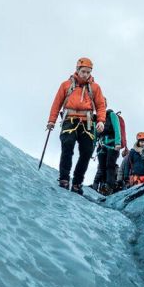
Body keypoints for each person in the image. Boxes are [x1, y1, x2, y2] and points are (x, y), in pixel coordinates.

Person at [47, 57, 107, 195]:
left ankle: (77, 183)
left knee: (87, 151)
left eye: (88, 72)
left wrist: (101, 121)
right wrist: (51, 121)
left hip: (87, 122)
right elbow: (57, 103)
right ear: (77, 70)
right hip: (70, 120)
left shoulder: (95, 88)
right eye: (83, 71)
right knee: (67, 146)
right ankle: (64, 179)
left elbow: (100, 106)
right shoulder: (65, 85)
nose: (86, 74)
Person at [91, 106, 127, 195]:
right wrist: (91, 149)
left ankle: (109, 187)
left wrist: (118, 143)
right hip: (102, 146)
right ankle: (103, 187)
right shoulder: (97, 119)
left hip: (112, 145)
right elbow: (95, 135)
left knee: (110, 166)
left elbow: (117, 129)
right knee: (102, 167)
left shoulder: (112, 115)